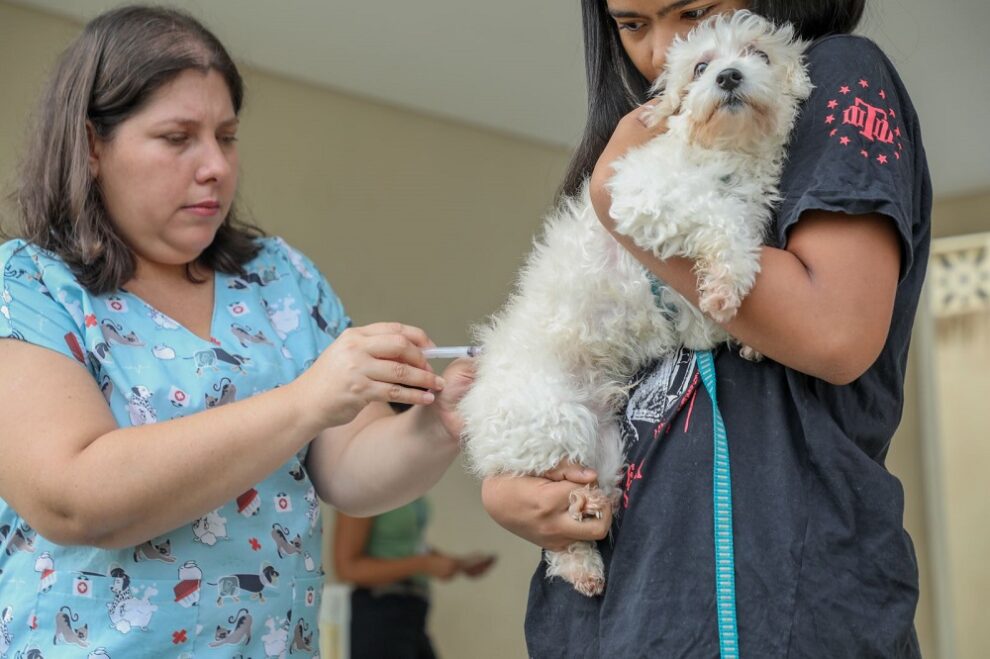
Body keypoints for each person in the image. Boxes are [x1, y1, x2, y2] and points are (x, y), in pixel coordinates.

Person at [0, 6, 472, 657]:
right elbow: (73, 498)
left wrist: (438, 425)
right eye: (177, 138)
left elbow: (349, 471)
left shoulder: (282, 277)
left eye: (226, 137)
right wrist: (306, 400)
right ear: (91, 145)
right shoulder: (28, 285)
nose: (216, 166)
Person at [481, 1, 929, 656]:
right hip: (612, 618)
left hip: (775, 607)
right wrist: (508, 492)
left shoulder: (834, 73)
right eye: (633, 25)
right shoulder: (648, 146)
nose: (664, 51)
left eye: (692, 11)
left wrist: (614, 194)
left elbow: (834, 330)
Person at [333, 498, 496, 658]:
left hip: (413, 611)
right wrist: (423, 564)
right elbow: (347, 569)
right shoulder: (363, 491)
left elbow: (409, 548)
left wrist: (457, 564)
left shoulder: (410, 487)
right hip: (380, 611)